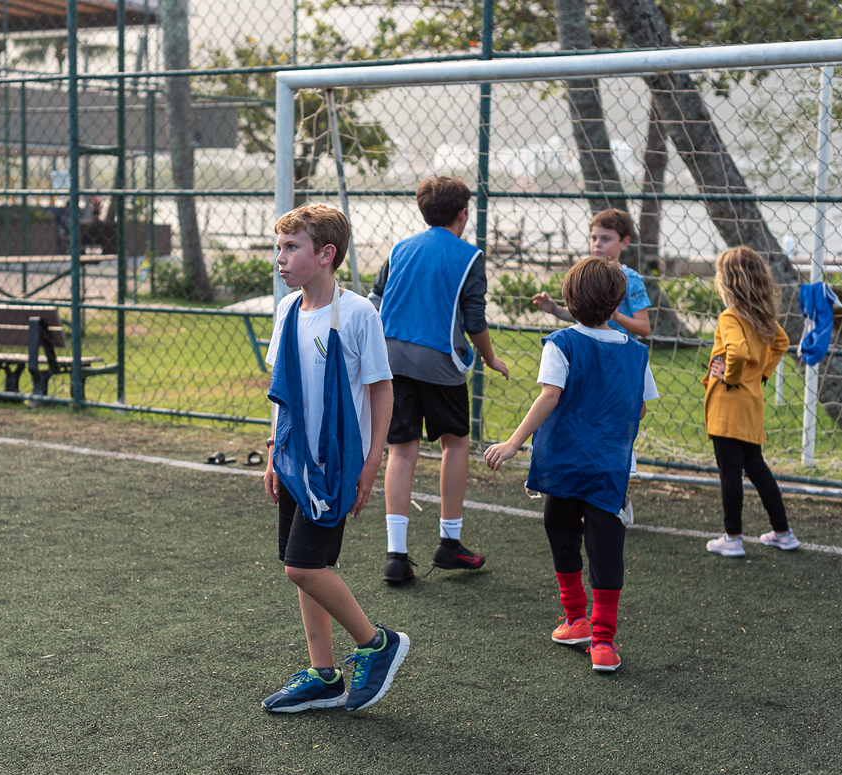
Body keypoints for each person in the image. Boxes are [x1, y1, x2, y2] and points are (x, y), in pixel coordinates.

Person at [260, 204, 409, 713]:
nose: (280, 258)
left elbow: (382, 389)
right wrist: (273, 453)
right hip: (294, 459)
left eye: (290, 247)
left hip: (336, 465)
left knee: (302, 568)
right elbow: (282, 390)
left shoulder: (359, 313)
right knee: (306, 562)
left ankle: (377, 643)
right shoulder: (287, 310)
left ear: (326, 254)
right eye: (278, 247)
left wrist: (372, 461)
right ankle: (325, 676)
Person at [484, 257, 658, 673]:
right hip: (610, 466)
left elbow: (549, 396)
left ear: (568, 298)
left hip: (563, 462)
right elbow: (641, 411)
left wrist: (512, 443)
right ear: (617, 302)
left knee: (560, 528)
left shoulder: (560, 343)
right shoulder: (636, 353)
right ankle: (602, 641)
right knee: (605, 545)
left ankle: (575, 619)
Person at [369, 176, 510, 585]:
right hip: (439, 362)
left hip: (392, 360)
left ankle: (396, 556)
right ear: (463, 213)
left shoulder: (400, 249)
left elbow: (376, 300)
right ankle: (449, 543)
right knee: (455, 443)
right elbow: (474, 318)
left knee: (401, 451)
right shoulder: (469, 256)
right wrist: (489, 356)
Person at [702, 246, 796, 557]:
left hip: (727, 407)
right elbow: (781, 343)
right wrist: (762, 374)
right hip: (751, 404)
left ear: (726, 282)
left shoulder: (730, 316)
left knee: (730, 472)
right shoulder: (760, 315)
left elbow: (738, 352)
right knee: (756, 467)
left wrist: (730, 377)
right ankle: (783, 532)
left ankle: (732, 538)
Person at [532, 209, 652, 339]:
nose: (597, 243)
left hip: (616, 353)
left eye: (606, 239)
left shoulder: (632, 279)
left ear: (624, 242)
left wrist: (617, 316)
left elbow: (644, 328)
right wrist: (555, 310)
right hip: (585, 348)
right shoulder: (585, 275)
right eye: (594, 237)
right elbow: (582, 315)